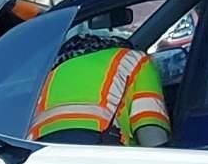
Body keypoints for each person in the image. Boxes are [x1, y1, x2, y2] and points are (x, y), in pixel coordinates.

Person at [28, 28, 172, 146]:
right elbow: (151, 134)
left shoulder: (52, 72)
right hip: (100, 145)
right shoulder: (135, 59)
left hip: (41, 151)